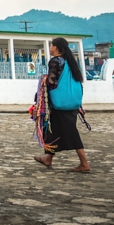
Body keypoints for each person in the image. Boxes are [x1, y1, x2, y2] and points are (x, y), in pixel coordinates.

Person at [34, 37, 91, 173]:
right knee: (53, 129)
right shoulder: (70, 62)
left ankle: (84, 163)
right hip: (72, 102)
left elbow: (52, 81)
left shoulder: (55, 61)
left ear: (56, 47)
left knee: (71, 132)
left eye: (51, 45)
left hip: (59, 103)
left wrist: (43, 79)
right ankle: (48, 158)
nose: (50, 48)